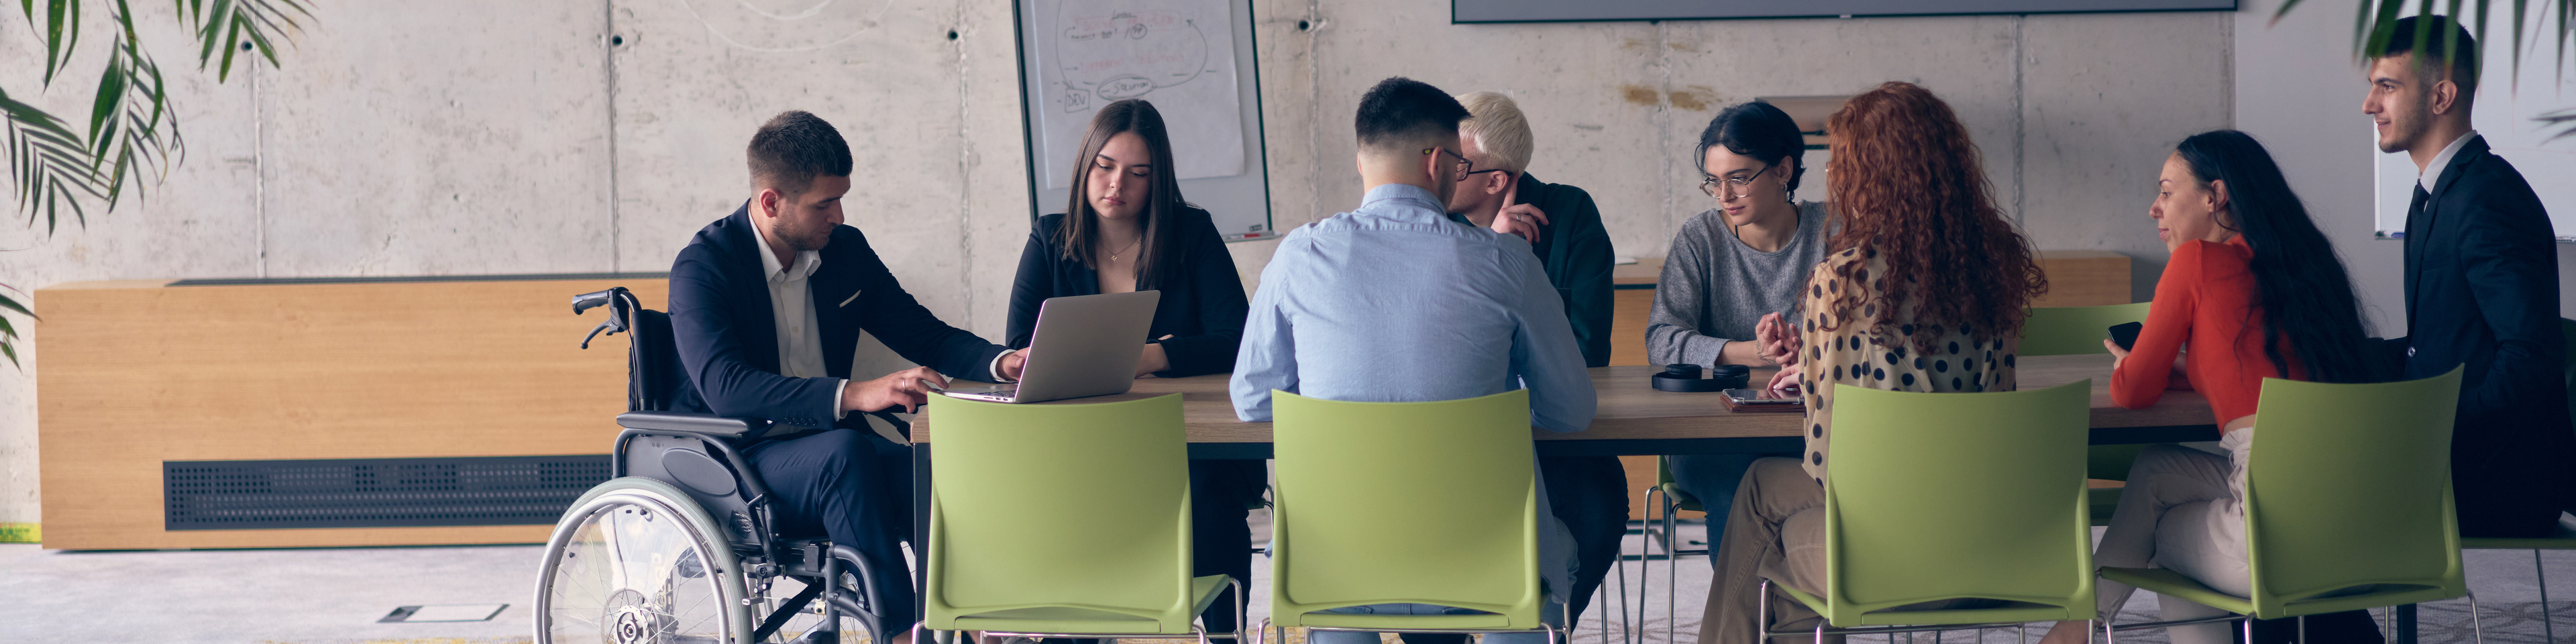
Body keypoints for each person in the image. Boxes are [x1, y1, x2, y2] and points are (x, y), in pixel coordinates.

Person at [1231, 76, 1595, 644]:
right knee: (1553, 550)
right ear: (1436, 162)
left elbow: (1253, 401)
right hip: (1485, 563)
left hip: (1335, 569)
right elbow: (1570, 410)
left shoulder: (1298, 257)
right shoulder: (1506, 263)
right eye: (1456, 159)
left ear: (1362, 162)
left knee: (1338, 592)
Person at [1696, 82, 2047, 644]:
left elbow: (1831, 463)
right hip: (1991, 544)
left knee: (1767, 507)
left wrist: (1812, 384)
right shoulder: (1992, 271)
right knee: (1766, 498)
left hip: (1893, 558)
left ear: (1866, 175)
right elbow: (1992, 407)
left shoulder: (1844, 281)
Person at [669, 111, 1027, 644]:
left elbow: (922, 332)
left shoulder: (844, 251)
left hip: (833, 447)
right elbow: (726, 386)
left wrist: (1003, 363)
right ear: (771, 202)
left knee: (932, 473)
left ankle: (976, 626)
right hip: (744, 458)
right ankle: (902, 635)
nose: (838, 215)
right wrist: (857, 394)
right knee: (847, 456)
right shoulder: (704, 267)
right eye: (824, 203)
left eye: (842, 198)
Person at [2032, 131, 2383, 644]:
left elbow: (2132, 393)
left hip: (2274, 542)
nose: (2155, 208)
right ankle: (2075, 630)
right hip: (2372, 526)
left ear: (2215, 197)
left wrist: (2133, 364)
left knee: (2161, 527)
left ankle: (2074, 633)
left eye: (2168, 192)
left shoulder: (2196, 261)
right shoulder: (2305, 270)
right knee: (2156, 469)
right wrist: (2187, 370)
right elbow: (2257, 366)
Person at [1006, 98, 1259, 640]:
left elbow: (1238, 338)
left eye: (1138, 173)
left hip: (1183, 440)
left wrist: (1153, 355)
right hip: (1081, 445)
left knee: (1211, 496)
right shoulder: (1048, 239)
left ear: (1157, 179)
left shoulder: (1191, 234)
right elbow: (1021, 349)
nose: (1117, 183)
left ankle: (1223, 633)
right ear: (1084, 167)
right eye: (1105, 166)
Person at [2363, 14, 2576, 539]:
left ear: (2441, 97)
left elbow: (2531, 355)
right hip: (2456, 460)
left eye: (2387, 87)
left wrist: (2439, 435)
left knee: (2307, 501)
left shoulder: (2486, 200)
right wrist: (2308, 350)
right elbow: (2439, 343)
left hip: (2500, 479)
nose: (2370, 105)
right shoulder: (2436, 195)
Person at [1440, 90, 1627, 629]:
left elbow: (1588, 348)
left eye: (1456, 161)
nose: (1438, 170)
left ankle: (1545, 630)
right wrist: (1492, 258)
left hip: (1549, 436)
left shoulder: (1568, 213)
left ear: (1496, 180)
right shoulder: (1427, 223)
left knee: (1599, 502)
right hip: (1452, 444)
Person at [1646, 101, 1829, 555]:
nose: (1724, 195)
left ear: (1783, 170)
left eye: (1739, 177)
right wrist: (1751, 353)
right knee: (1741, 486)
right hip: (1714, 435)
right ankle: (1749, 621)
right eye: (1714, 180)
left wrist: (1810, 351)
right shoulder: (1701, 238)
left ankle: (1804, 612)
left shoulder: (1836, 229)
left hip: (1818, 426)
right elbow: (1662, 339)